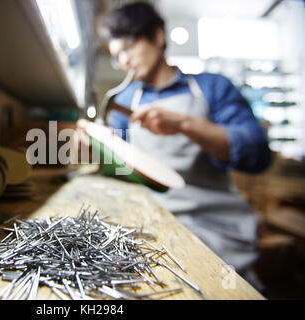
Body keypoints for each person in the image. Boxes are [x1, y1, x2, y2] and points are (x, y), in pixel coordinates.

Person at [90, 2, 272, 277]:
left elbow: (257, 154)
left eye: (128, 46)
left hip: (214, 229)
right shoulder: (124, 102)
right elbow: (119, 172)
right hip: (150, 225)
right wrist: (97, 146)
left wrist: (186, 124)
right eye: (117, 56)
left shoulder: (212, 87)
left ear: (158, 36)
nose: (124, 60)